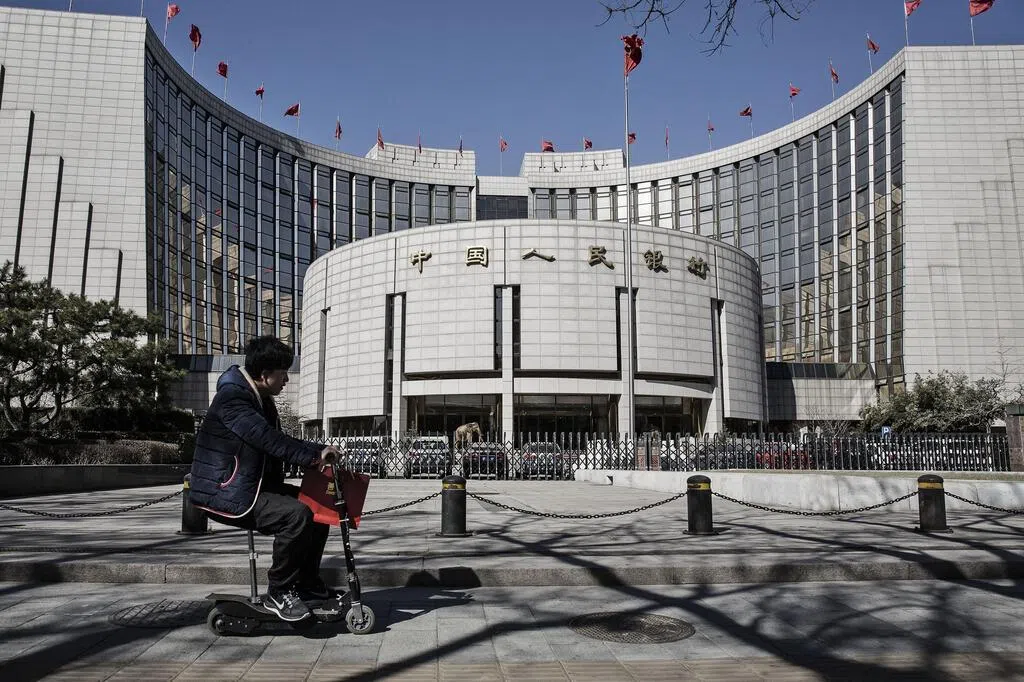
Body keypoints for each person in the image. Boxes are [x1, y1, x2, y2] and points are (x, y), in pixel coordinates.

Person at [189, 335, 342, 622]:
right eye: (283, 373)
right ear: (264, 374)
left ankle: (305, 584)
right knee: (295, 515)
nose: (287, 379)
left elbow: (278, 439)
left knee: (318, 509)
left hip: (252, 486)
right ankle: (279, 591)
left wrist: (319, 451)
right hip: (226, 492)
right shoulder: (233, 399)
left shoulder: (260, 397)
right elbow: (267, 439)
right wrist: (314, 457)